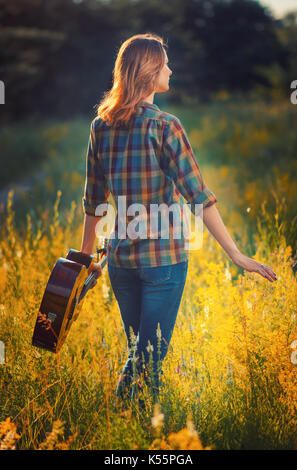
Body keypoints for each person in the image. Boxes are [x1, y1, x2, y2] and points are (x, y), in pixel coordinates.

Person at [80, 33, 277, 407]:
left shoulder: (100, 127)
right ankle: (134, 424)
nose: (171, 69)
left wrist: (86, 257)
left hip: (121, 260)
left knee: (140, 352)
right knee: (148, 358)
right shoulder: (165, 125)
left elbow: (93, 201)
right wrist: (235, 255)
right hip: (163, 262)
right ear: (149, 70)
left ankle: (125, 423)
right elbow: (198, 196)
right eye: (165, 63)